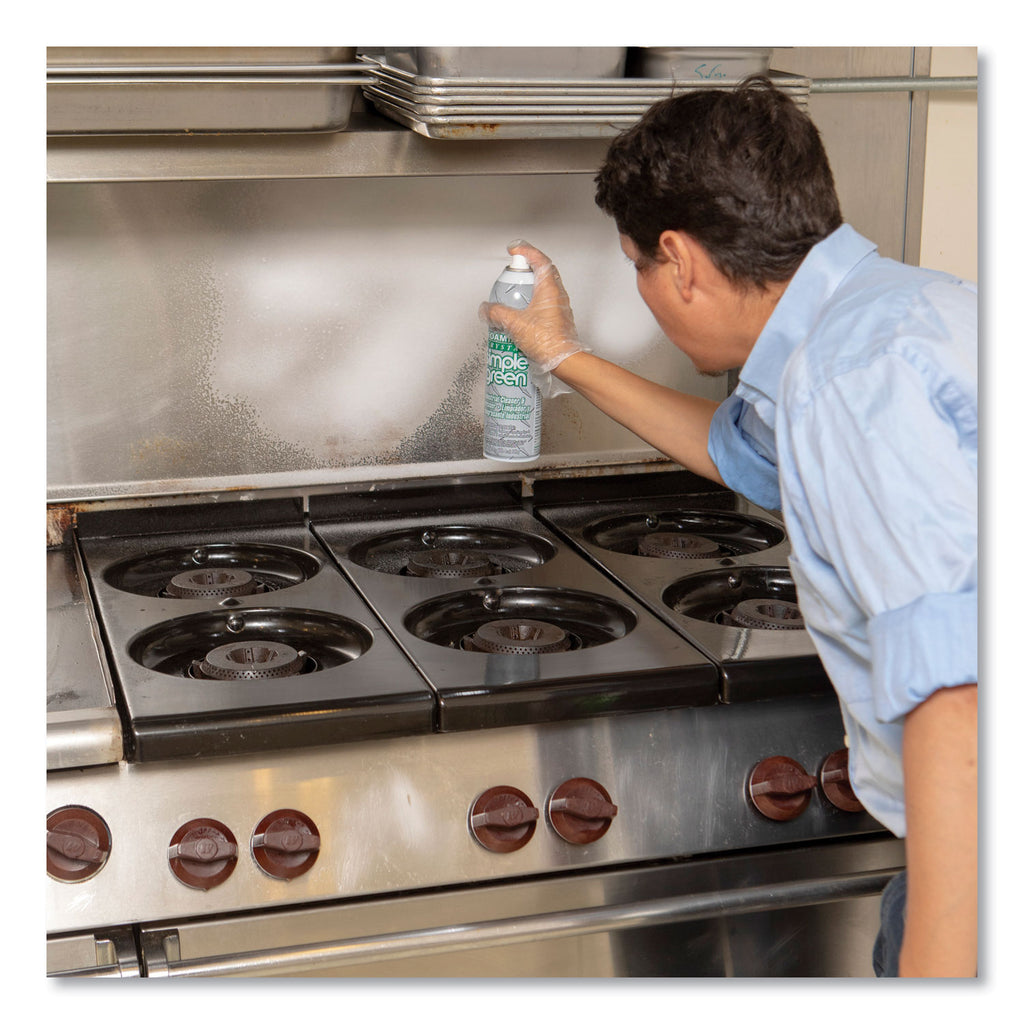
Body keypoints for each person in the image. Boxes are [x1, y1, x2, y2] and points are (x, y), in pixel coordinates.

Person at [480, 78, 978, 978]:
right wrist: (562, 355)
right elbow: (743, 453)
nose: (644, 289)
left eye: (636, 265)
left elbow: (959, 696)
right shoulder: (905, 309)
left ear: (679, 260)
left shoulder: (848, 385)